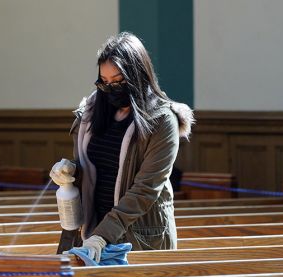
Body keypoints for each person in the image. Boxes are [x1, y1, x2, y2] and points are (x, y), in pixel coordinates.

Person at [50, 32, 195, 262]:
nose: (111, 89)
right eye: (104, 82)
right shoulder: (92, 112)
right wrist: (71, 171)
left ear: (138, 76)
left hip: (139, 236)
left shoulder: (162, 120)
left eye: (118, 81)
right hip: (89, 234)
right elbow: (98, 168)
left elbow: (146, 189)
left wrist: (102, 236)